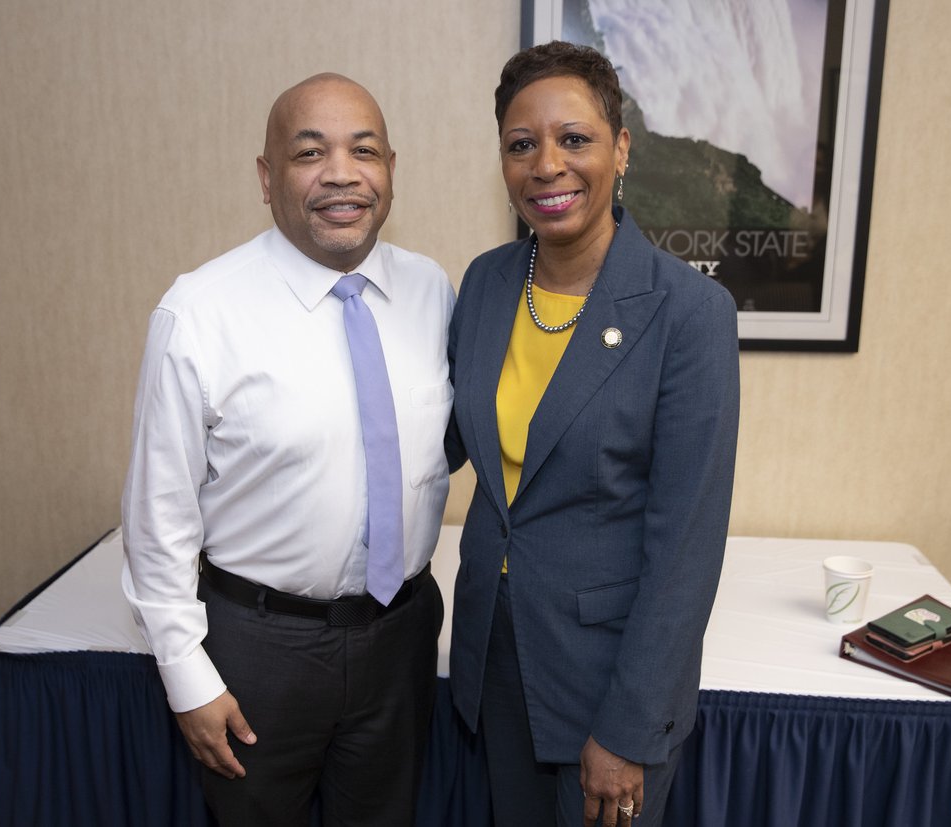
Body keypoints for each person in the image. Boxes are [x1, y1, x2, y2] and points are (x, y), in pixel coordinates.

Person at [121, 72, 454, 826]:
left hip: (400, 637)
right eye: (311, 152)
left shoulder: (433, 293)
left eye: (363, 150)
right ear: (268, 178)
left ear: (391, 170)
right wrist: (187, 677)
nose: (342, 172)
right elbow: (157, 515)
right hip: (258, 649)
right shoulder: (199, 312)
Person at [445, 42, 740, 827]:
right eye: (521, 144)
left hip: (607, 686)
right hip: (494, 662)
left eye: (574, 139)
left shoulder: (688, 314)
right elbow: (439, 441)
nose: (547, 164)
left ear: (621, 149)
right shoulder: (486, 284)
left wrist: (627, 729)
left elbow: (686, 548)